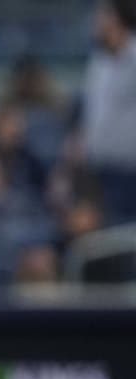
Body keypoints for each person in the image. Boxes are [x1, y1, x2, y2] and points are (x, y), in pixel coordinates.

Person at [82, 0, 136, 225]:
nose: (95, 22)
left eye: (101, 15)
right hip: (99, 172)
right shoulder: (99, 62)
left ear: (115, 18)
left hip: (130, 173)